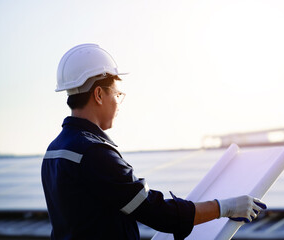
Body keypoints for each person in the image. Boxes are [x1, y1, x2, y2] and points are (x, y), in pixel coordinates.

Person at [41, 44, 267, 240]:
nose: (119, 103)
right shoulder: (93, 152)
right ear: (99, 95)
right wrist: (225, 207)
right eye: (117, 94)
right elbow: (155, 211)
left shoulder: (55, 150)